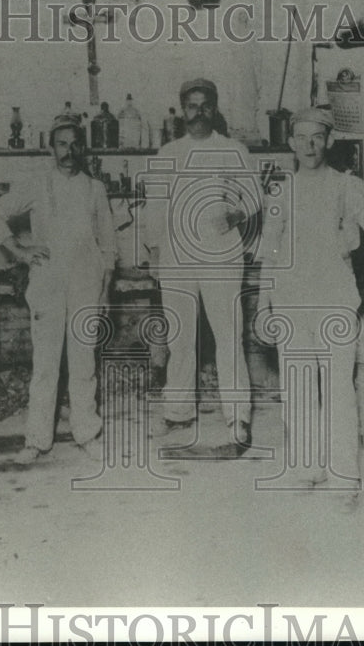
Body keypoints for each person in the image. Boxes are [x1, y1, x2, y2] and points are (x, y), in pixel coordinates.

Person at [256, 107, 364, 509]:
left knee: (337, 392)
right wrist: (264, 305)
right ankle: (306, 469)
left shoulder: (348, 186)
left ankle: (343, 475)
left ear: (330, 141)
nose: (310, 145)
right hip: (293, 303)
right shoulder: (281, 191)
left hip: (334, 302)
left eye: (318, 137)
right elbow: (270, 253)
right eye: (302, 138)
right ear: (292, 143)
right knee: (297, 388)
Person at [142, 78, 261, 457]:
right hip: (177, 256)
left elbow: (255, 198)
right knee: (180, 338)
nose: (198, 112)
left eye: (205, 105)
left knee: (229, 336)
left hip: (220, 255)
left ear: (215, 108)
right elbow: (154, 211)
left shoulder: (233, 150)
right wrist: (157, 257)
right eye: (191, 106)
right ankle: (178, 413)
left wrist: (235, 213)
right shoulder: (167, 153)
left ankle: (238, 417)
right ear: (182, 109)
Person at [0, 113, 117, 464]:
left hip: (86, 283)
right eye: (62, 144)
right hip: (47, 281)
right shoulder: (37, 184)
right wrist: (20, 250)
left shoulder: (95, 189)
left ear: (83, 147)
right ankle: (36, 440)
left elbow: (108, 245)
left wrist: (105, 291)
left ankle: (87, 433)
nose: (69, 150)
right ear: (52, 148)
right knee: (45, 364)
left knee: (83, 361)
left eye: (76, 144)